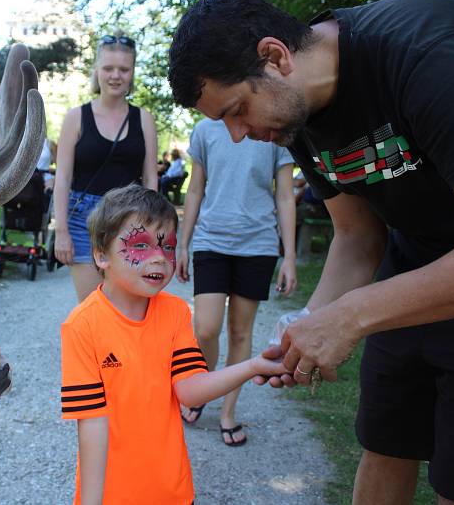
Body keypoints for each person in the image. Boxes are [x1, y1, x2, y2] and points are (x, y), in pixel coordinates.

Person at [168, 0, 454, 504]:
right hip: (410, 266)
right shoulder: (294, 113)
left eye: (238, 110)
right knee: (384, 445)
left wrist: (354, 314)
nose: (241, 135)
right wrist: (308, 323)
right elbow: (358, 237)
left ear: (275, 57)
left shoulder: (428, 59)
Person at [60, 184, 289, 505]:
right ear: (101, 255)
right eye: (140, 245)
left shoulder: (175, 312)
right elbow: (92, 423)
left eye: (167, 247)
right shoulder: (81, 326)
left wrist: (252, 366)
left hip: (172, 490)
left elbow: (189, 390)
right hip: (113, 494)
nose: (159, 259)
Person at [175, 118, 297, 445]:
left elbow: (285, 196)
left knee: (241, 332)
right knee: (205, 328)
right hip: (211, 240)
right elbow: (196, 189)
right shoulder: (205, 130)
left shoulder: (272, 125)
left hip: (257, 244)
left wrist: (289, 256)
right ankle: (202, 390)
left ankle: (228, 411)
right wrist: (182, 245)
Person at [54, 32, 159, 302]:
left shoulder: (144, 119)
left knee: (128, 305)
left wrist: (153, 228)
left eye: (124, 69)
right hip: (82, 221)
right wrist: (61, 231)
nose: (116, 76)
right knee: (93, 307)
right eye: (108, 68)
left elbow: (150, 177)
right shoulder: (76, 117)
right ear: (97, 71)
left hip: (131, 219)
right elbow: (63, 178)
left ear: (132, 73)